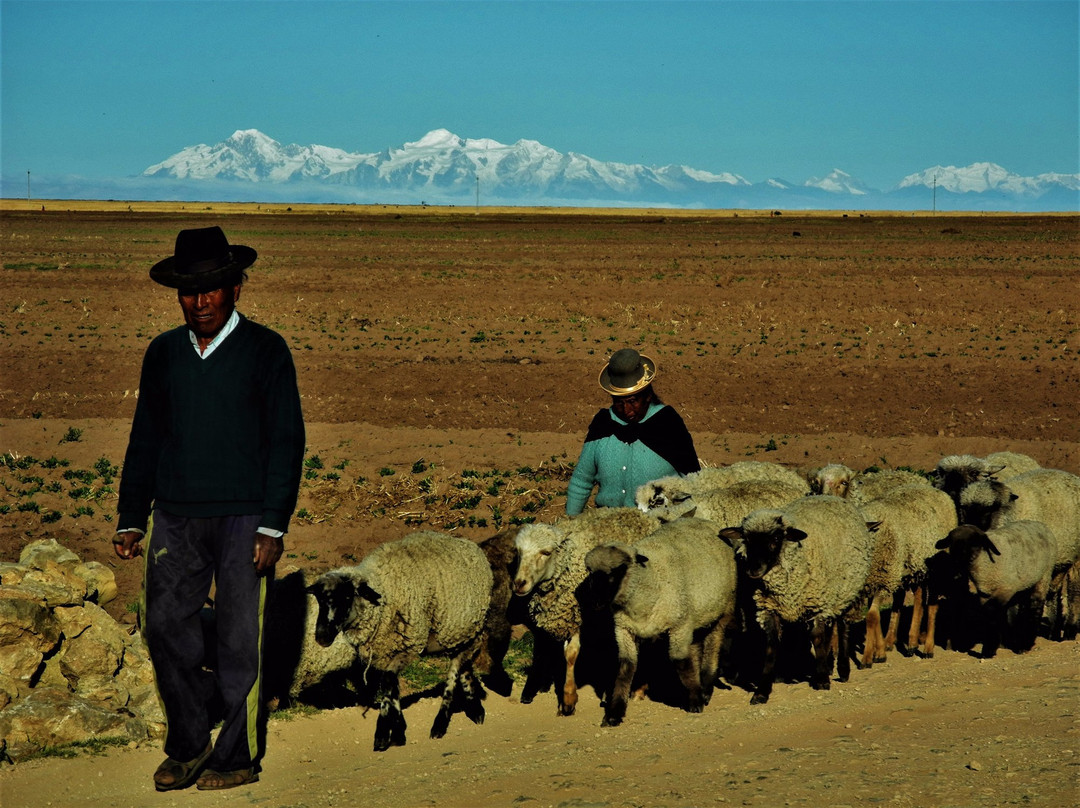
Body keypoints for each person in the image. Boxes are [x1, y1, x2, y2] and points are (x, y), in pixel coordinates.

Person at [112, 226, 305, 791]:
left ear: (237, 288)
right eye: (189, 291)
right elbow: (145, 436)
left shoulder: (266, 350)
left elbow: (286, 441)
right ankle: (190, 741)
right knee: (166, 625)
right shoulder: (164, 353)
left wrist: (273, 522)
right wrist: (130, 514)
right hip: (176, 514)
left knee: (242, 638)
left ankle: (236, 757)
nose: (200, 302)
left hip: (246, 518)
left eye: (212, 288)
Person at [565, 348, 700, 516]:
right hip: (607, 524)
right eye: (619, 403)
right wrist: (569, 522)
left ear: (648, 396)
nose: (627, 410)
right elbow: (581, 481)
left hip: (658, 528)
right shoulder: (603, 425)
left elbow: (694, 481)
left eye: (632, 401)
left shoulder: (667, 424)